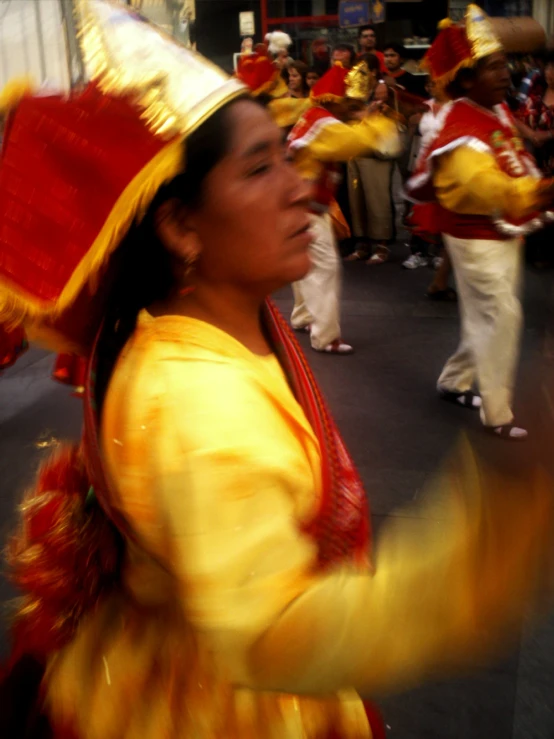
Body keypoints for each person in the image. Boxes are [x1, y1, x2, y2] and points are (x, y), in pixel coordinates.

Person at [1, 4, 554, 738]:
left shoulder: (211, 319)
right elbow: (276, 630)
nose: (300, 188)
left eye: (287, 157)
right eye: (261, 168)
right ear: (179, 225)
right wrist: (497, 532)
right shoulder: (194, 404)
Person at [406, 5, 554, 440]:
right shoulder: (461, 134)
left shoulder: (493, 111)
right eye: (493, 68)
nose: (506, 74)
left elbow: (514, 162)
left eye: (505, 64)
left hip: (500, 232)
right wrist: (543, 192)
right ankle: (497, 411)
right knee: (502, 314)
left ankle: (455, 382)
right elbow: (490, 188)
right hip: (476, 236)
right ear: (466, 79)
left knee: (484, 314)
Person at [289, 61, 401, 352]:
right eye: (349, 104)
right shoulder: (325, 124)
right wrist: (377, 121)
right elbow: (353, 142)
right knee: (325, 268)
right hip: (307, 207)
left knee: (305, 264)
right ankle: (325, 337)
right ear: (334, 100)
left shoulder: (314, 116)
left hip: (302, 204)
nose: (352, 109)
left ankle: (302, 316)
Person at [346, 54, 397, 265]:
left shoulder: (384, 89)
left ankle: (382, 246)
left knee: (378, 200)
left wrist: (371, 113)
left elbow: (394, 117)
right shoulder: (356, 90)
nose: (360, 73)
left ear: (375, 72)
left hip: (377, 154)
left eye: (365, 69)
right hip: (355, 151)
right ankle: (363, 245)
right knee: (358, 202)